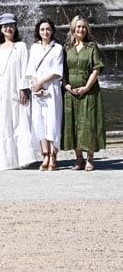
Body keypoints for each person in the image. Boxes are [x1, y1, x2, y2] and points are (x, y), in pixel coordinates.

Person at [0, 13, 38, 171]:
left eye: (11, 25)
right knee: (1, 124)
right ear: (0, 29)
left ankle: (20, 159)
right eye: (5, 26)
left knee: (17, 123)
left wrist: (24, 88)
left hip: (16, 92)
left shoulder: (21, 46)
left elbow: (25, 69)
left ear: (15, 28)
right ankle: (3, 161)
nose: (8, 28)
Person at [62, 15, 106, 171]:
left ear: (87, 29)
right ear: (73, 28)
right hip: (70, 92)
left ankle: (90, 158)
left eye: (83, 27)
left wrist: (87, 87)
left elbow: (97, 69)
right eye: (78, 26)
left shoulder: (92, 47)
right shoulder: (66, 48)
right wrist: (66, 85)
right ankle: (78, 158)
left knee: (89, 124)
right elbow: (62, 70)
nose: (80, 29)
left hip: (89, 92)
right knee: (72, 123)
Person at [26, 19, 64, 171]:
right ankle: (45, 155)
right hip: (37, 90)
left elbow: (56, 71)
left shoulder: (58, 48)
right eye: (42, 29)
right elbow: (30, 69)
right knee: (39, 121)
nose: (45, 32)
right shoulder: (34, 48)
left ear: (52, 31)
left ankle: (53, 155)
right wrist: (35, 85)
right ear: (38, 31)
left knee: (52, 121)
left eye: (48, 29)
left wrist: (40, 83)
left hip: (52, 89)